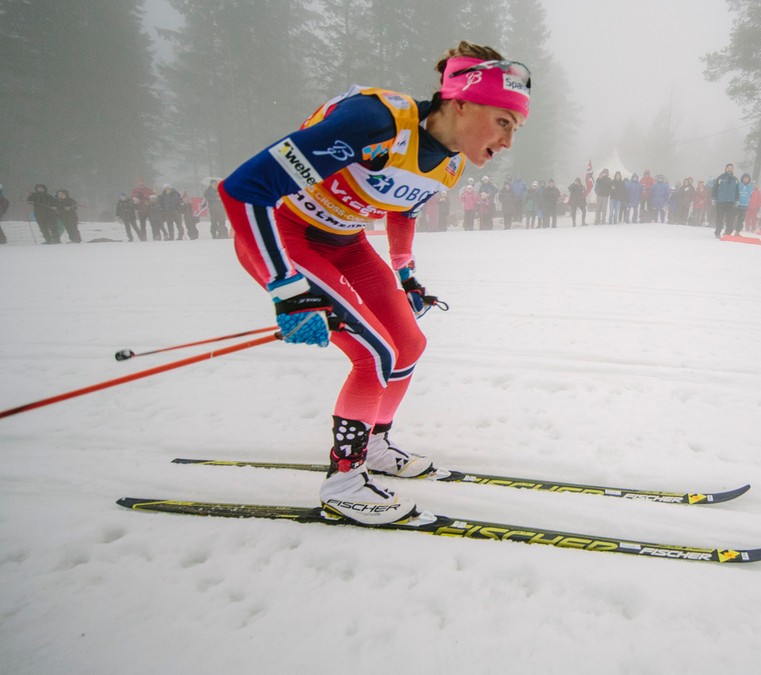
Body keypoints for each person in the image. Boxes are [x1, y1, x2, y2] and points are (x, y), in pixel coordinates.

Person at [217, 41, 530, 525]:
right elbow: (243, 189)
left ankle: (376, 445)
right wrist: (287, 290)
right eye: (504, 122)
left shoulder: (451, 162)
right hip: (286, 238)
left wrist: (405, 273)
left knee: (407, 344)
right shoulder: (376, 120)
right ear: (460, 103)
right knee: (373, 356)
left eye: (516, 128)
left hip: (345, 240)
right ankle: (343, 483)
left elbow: (403, 209)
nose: (509, 142)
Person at [710, 164, 737, 238]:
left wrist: (737, 200)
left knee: (730, 218)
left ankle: (728, 232)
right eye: (729, 168)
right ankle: (717, 232)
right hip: (721, 201)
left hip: (730, 202)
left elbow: (737, 191)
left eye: (731, 168)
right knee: (719, 218)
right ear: (726, 169)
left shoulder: (735, 179)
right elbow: (715, 188)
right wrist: (713, 198)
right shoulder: (720, 178)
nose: (730, 169)